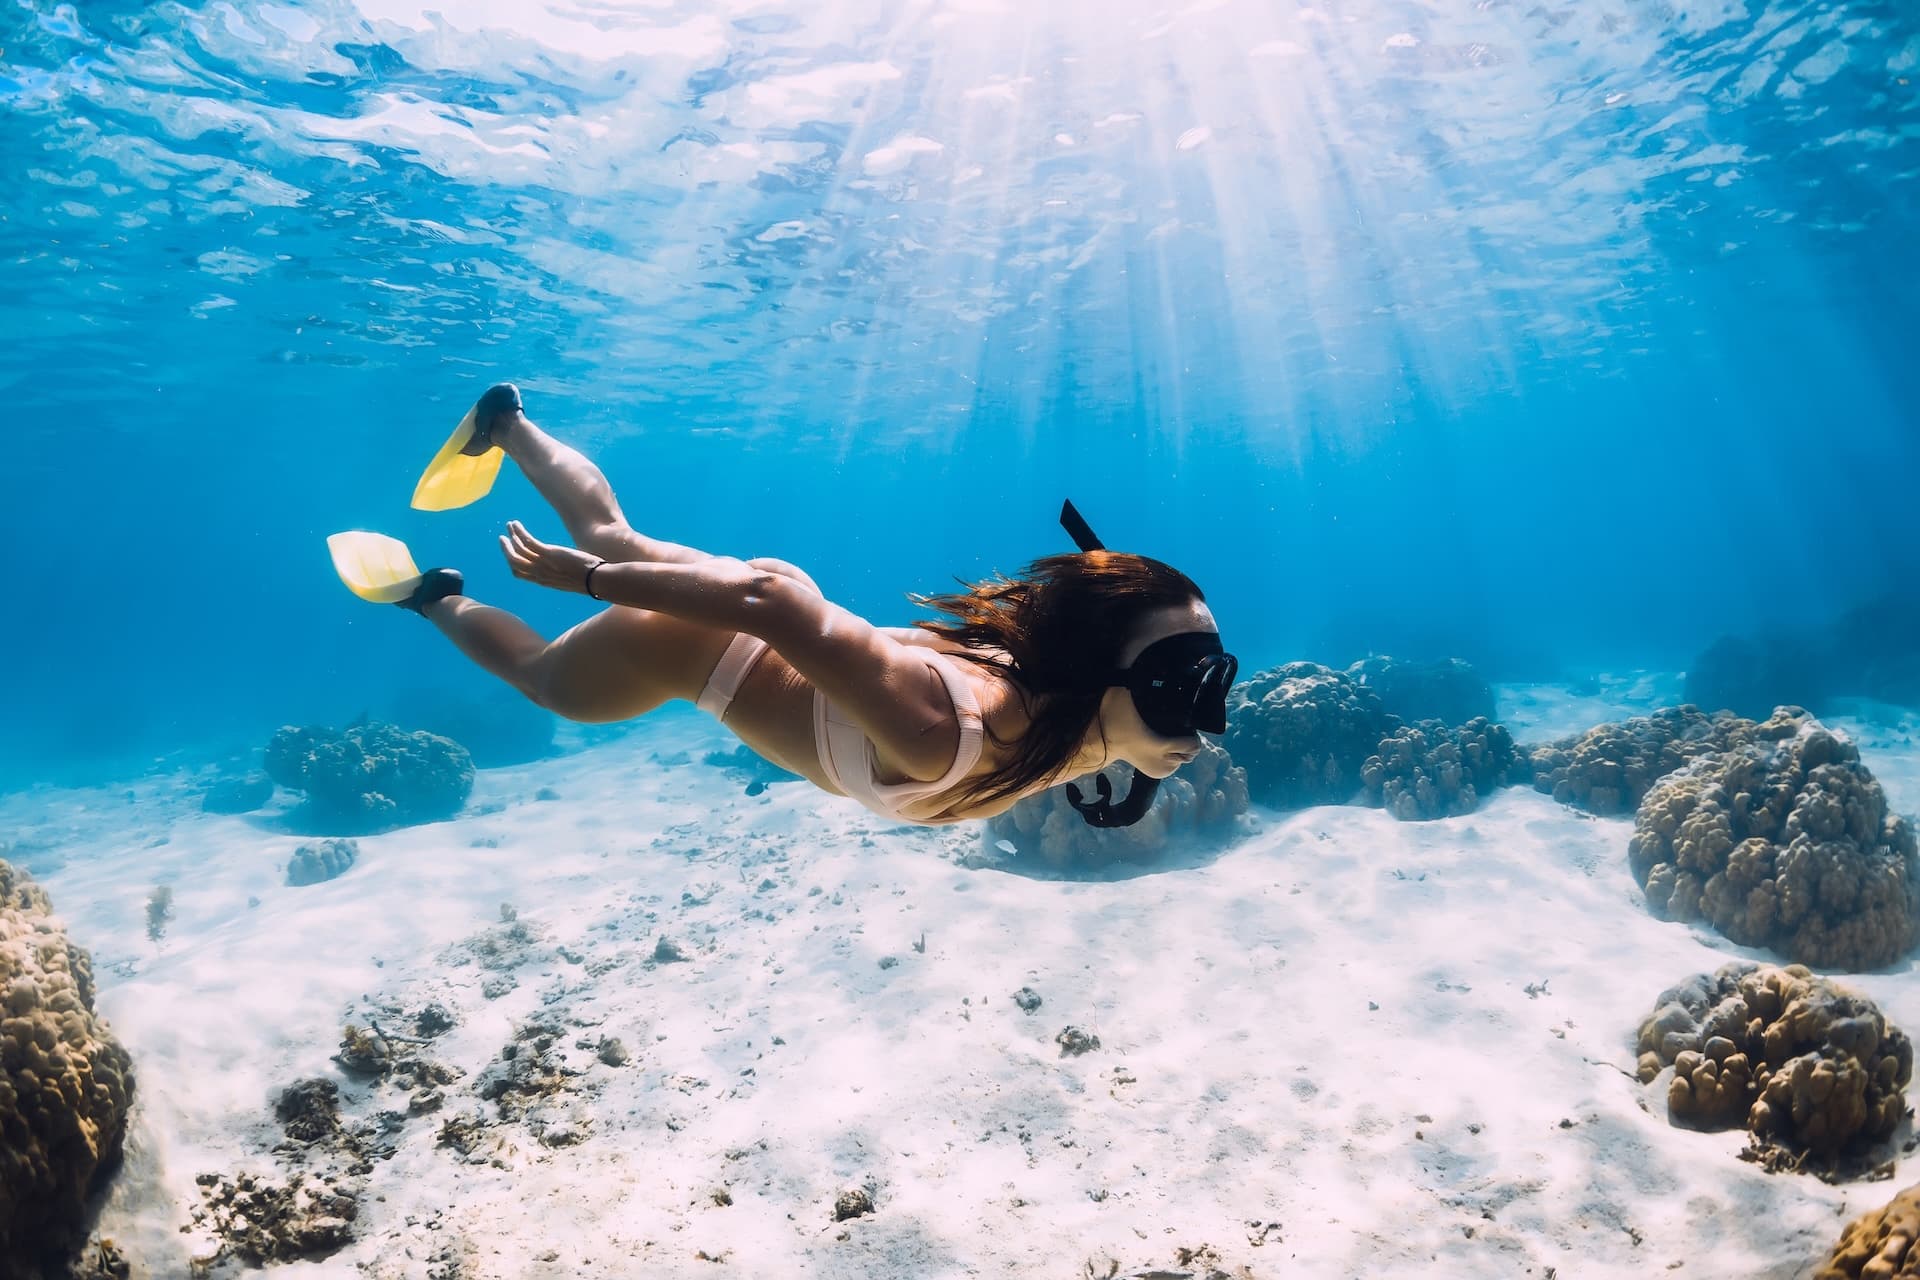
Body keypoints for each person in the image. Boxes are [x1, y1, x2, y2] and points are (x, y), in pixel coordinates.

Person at [331, 385, 1237, 828]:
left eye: (1211, 682)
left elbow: (1136, 714)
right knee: (546, 681)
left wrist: (1138, 782)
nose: (1207, 721)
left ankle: (509, 424)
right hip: (712, 642)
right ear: (1099, 677)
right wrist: (591, 588)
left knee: (614, 532)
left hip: (783, 611)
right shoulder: (945, 731)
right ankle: (432, 596)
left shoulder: (1080, 706)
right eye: (1181, 689)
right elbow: (767, 607)